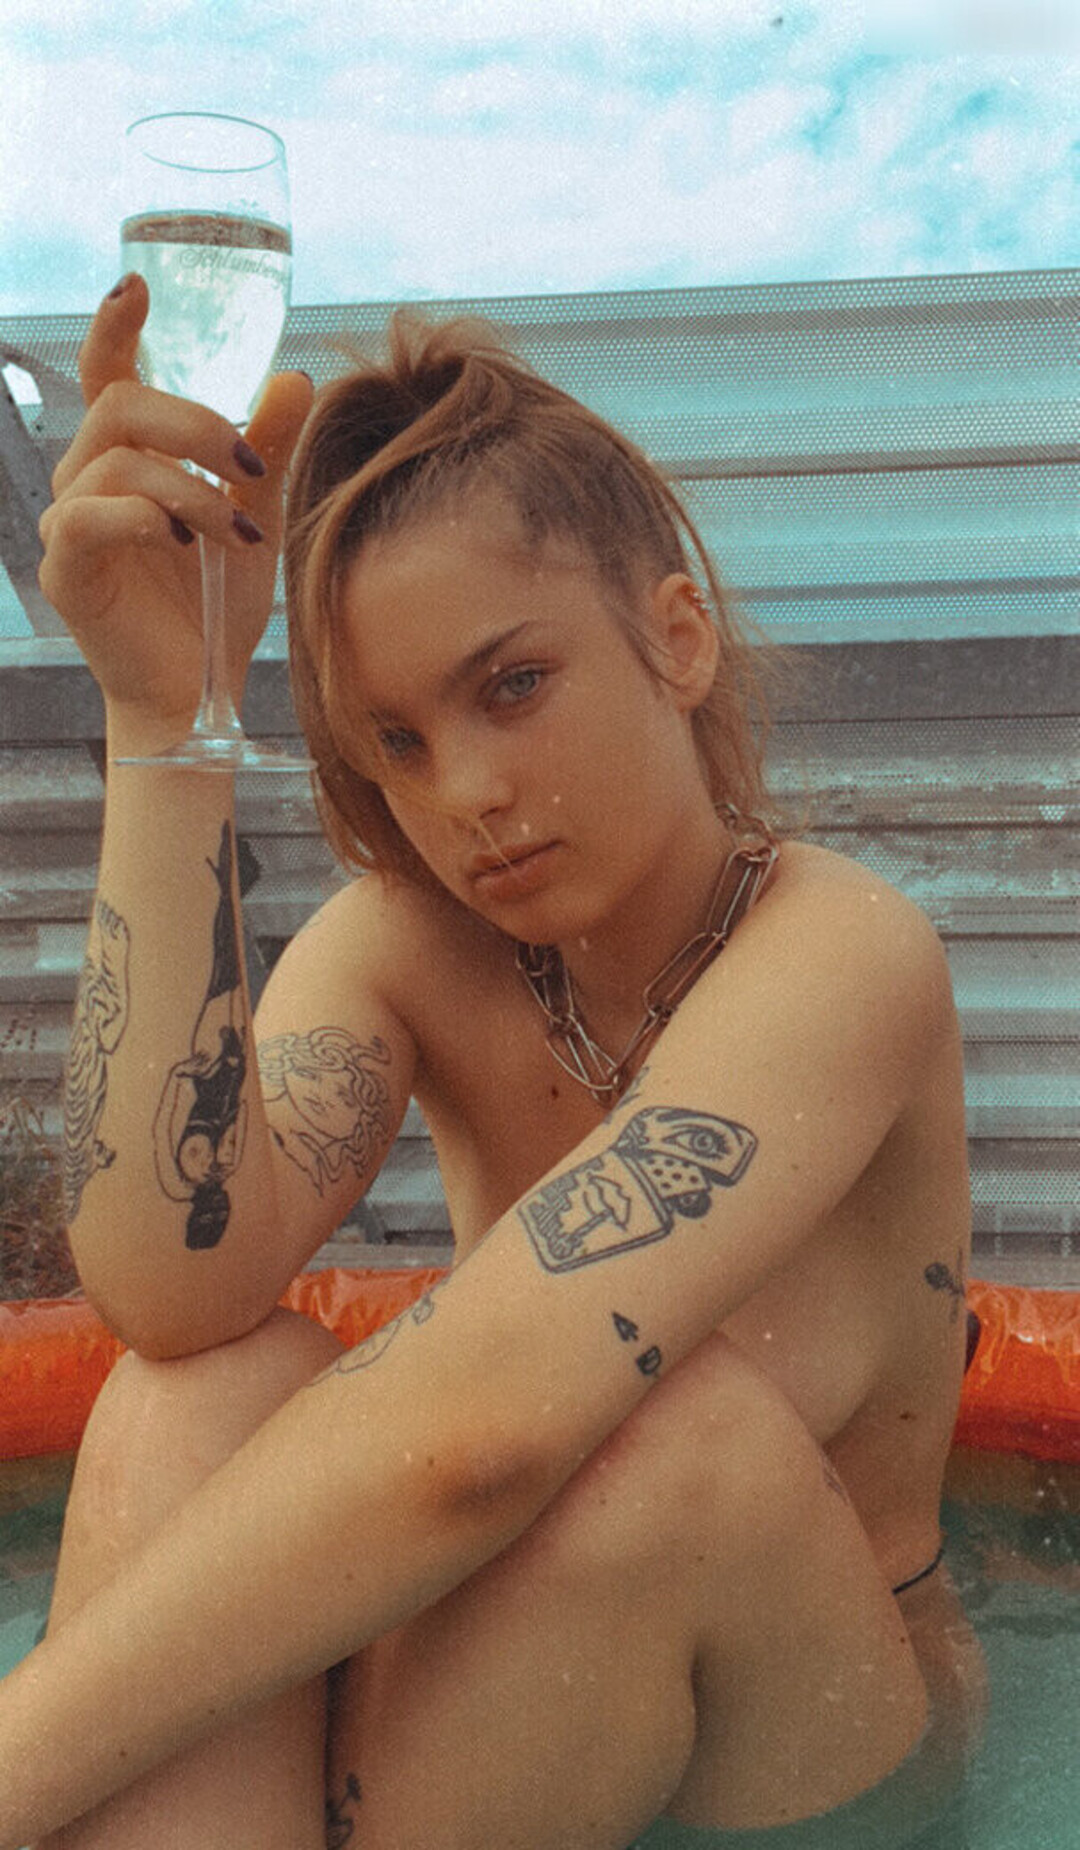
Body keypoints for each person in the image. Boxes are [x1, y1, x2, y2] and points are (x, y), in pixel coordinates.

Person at [0, 275, 986, 1850]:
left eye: (512, 687)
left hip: (809, 1741)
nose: (464, 793)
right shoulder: (412, 940)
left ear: (676, 636)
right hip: (509, 1701)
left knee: (673, 1444)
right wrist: (167, 720)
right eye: (395, 741)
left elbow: (494, 1422)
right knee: (198, 1394)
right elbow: (164, 1288)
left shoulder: (841, 949)